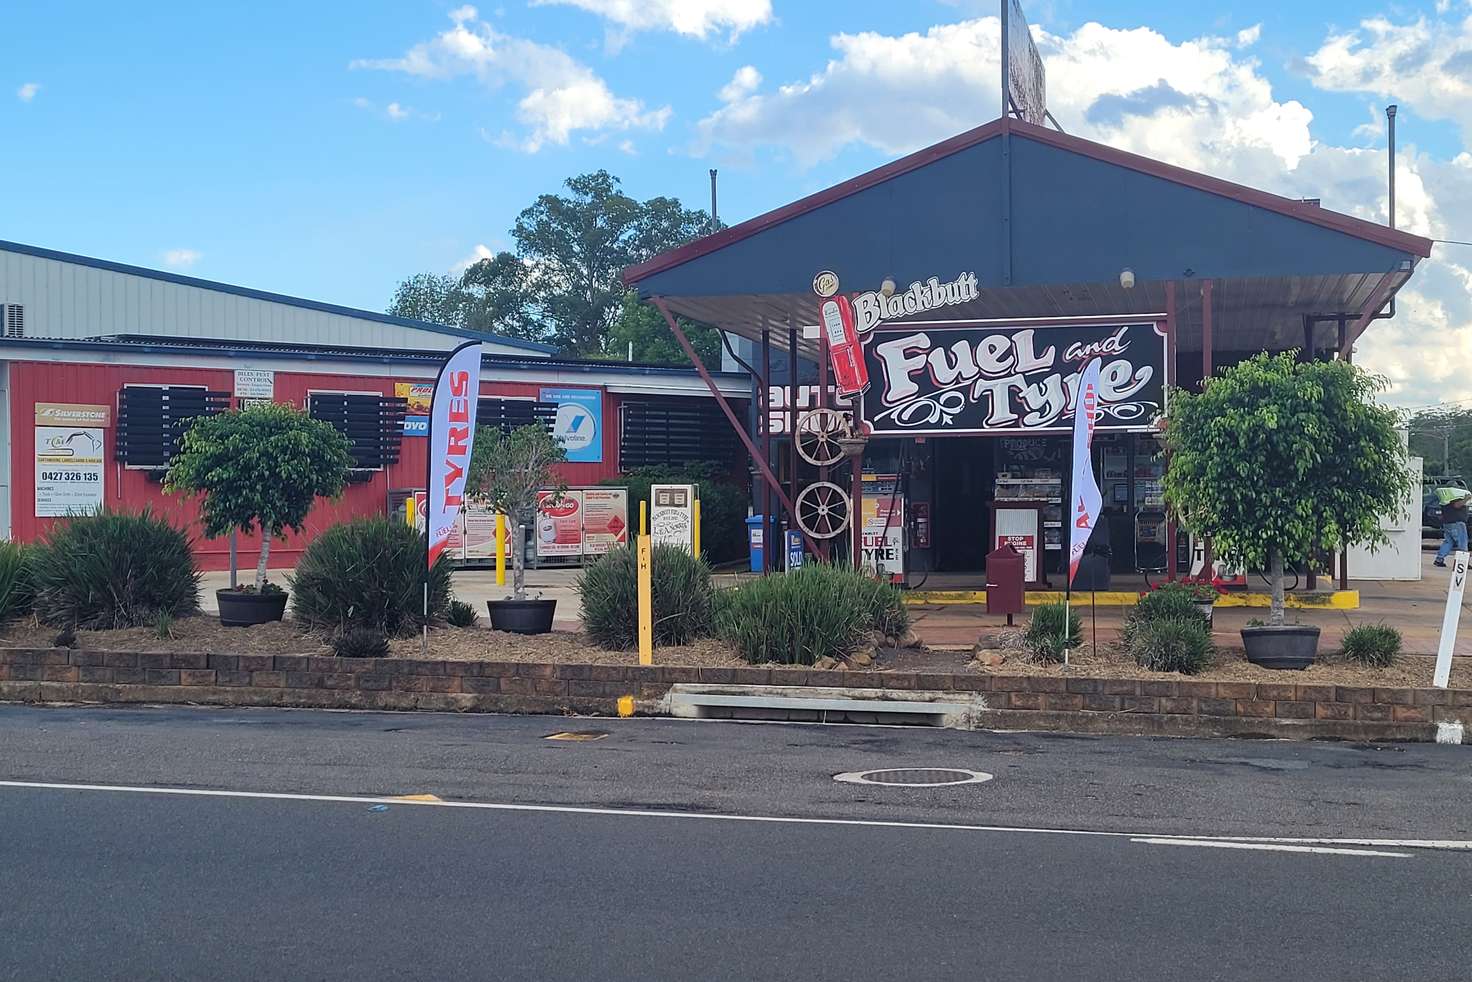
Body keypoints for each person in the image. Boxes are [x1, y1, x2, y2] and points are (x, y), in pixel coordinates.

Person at [1435, 491, 1470, 567]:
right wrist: (1466, 499)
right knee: (1462, 542)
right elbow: (1456, 505)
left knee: (1448, 542)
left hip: (1447, 523)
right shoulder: (1454, 497)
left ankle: (1439, 559)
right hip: (1457, 524)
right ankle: (1463, 562)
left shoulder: (1444, 499)